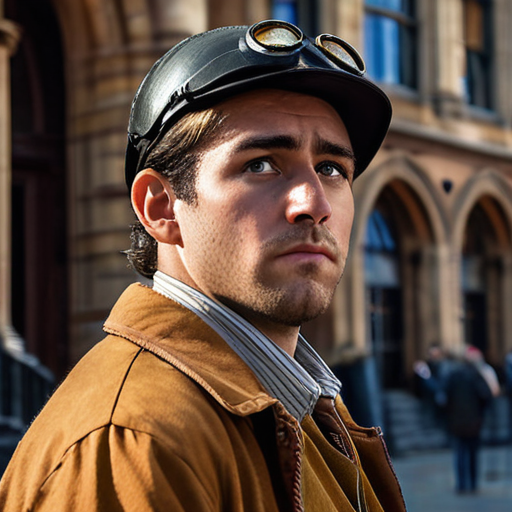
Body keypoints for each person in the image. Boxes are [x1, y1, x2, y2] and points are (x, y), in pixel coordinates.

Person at [0, 21, 404, 511]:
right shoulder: (133, 442)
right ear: (161, 207)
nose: (314, 203)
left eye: (332, 169)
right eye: (261, 164)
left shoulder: (306, 407)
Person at [444, 345, 496, 493]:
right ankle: (472, 483)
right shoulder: (475, 375)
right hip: (474, 420)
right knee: (472, 453)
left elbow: (445, 397)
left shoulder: (453, 376)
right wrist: (482, 412)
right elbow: (485, 395)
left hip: (457, 420)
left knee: (460, 452)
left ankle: (461, 484)